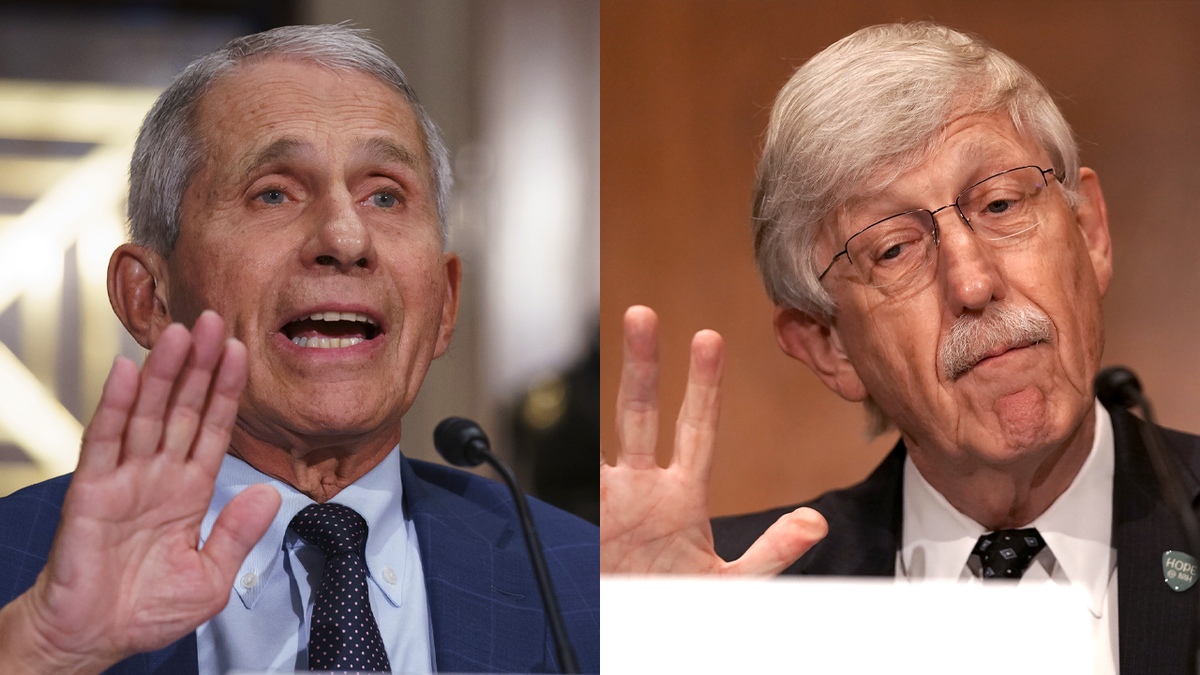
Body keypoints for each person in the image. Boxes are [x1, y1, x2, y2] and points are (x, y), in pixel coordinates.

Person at [600, 22, 1198, 675]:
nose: (973, 283)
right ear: (829, 346)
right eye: (893, 250)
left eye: (1000, 204)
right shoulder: (737, 613)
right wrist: (642, 649)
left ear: (1091, 234)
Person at [0, 24, 599, 675]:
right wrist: (44, 654)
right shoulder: (19, 573)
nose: (345, 236)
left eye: (385, 195)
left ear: (446, 302)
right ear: (149, 296)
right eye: (274, 192)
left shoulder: (583, 581)